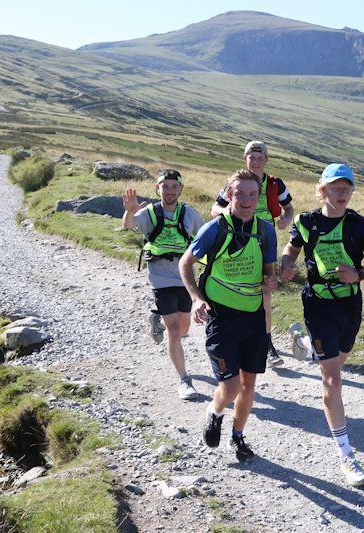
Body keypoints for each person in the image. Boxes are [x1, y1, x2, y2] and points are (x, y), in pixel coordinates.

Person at [280, 163, 364, 486]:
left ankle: (306, 345)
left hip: (350, 304)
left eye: (347, 189)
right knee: (333, 380)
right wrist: (285, 265)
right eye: (335, 188)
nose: (341, 194)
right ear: (322, 190)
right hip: (318, 303)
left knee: (336, 363)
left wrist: (360, 275)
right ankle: (346, 455)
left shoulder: (361, 225)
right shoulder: (307, 222)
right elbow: (291, 250)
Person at [182, 169, 278, 462]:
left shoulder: (266, 230)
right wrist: (196, 299)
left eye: (252, 194)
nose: (246, 200)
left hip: (253, 317)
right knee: (232, 386)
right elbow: (186, 264)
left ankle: (238, 437)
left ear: (258, 196)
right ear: (229, 195)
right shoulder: (214, 228)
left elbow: (268, 274)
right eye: (240, 194)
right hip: (221, 317)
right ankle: (214, 411)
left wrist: (272, 280)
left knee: (249, 384)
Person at [122, 169, 205, 400]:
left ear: (181, 189)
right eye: (164, 186)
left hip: (185, 277)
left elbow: (204, 238)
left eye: (173, 186)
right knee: (176, 331)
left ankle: (157, 321)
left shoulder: (189, 214)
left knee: (185, 328)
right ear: (157, 189)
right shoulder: (149, 213)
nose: (169, 190)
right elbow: (129, 225)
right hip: (160, 278)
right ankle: (184, 381)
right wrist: (129, 212)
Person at [211, 141, 293, 368]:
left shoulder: (275, 184)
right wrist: (228, 211)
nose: (255, 161)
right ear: (244, 158)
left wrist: (286, 218)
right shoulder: (235, 183)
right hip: (236, 241)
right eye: (251, 156)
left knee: (265, 293)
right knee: (237, 288)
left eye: (260, 157)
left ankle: (267, 344)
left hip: (264, 242)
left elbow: (289, 207)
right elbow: (214, 208)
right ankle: (231, 335)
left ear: (266, 160)